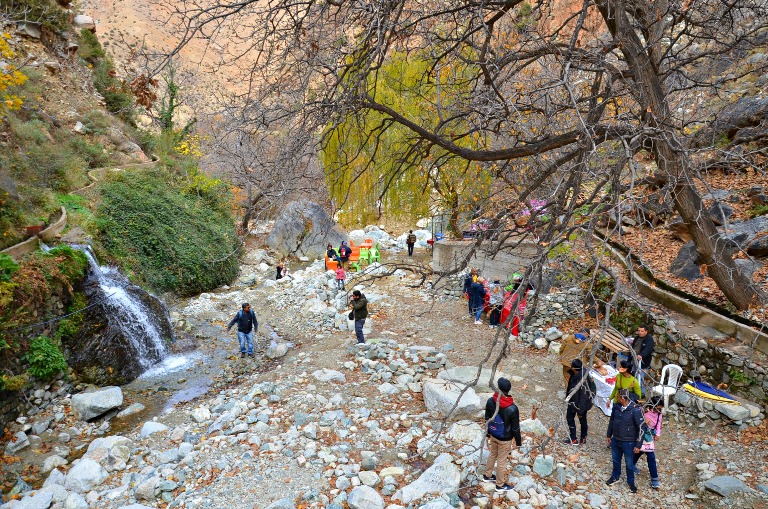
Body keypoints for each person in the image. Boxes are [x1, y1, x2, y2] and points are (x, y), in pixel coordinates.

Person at [482, 377, 522, 492]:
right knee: (501, 461)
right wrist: (518, 442)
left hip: (494, 433)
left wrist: (488, 433)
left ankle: (487, 476)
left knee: (493, 454)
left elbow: (487, 418)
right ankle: (500, 485)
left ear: (498, 388)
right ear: (508, 390)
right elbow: (515, 428)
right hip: (505, 438)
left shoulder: (491, 401)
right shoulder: (513, 408)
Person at [606, 389, 645, 493]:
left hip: (629, 442)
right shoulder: (616, 407)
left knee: (629, 464)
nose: (616, 398)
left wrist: (638, 445)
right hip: (616, 440)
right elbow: (612, 421)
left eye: (618, 397)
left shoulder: (636, 410)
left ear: (623, 398)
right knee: (616, 460)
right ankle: (615, 477)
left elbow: (641, 428)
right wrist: (609, 434)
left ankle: (631, 482)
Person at [633, 396, 663, 489]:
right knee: (643, 453)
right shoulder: (643, 411)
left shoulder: (659, 414)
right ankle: (654, 480)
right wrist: (644, 423)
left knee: (648, 455)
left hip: (650, 437)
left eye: (660, 409)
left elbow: (658, 425)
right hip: (641, 435)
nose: (659, 410)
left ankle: (654, 479)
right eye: (657, 408)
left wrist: (658, 434)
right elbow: (636, 422)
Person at [563, 359, 595, 445]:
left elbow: (584, 396)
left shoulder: (583, 380)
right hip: (572, 400)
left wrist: (580, 409)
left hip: (580, 404)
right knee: (570, 418)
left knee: (582, 419)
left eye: (571, 364)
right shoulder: (575, 374)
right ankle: (573, 438)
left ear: (574, 367)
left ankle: (583, 437)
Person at [632, 324, 655, 395]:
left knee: (641, 378)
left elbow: (648, 349)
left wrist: (641, 355)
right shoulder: (637, 338)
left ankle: (642, 394)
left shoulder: (649, 339)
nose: (640, 332)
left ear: (646, 331)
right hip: (635, 360)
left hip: (643, 363)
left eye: (642, 331)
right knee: (635, 377)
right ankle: (635, 392)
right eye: (639, 331)